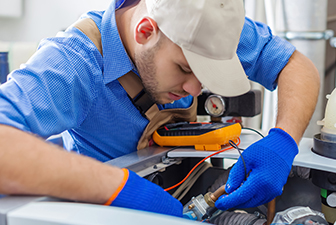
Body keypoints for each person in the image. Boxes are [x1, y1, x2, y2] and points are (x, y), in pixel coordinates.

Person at [0, 0, 319, 218]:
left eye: (204, 74)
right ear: (145, 32)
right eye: (184, 68)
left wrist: (283, 141)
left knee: (301, 195)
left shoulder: (205, 24)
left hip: (187, 182)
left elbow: (296, 65)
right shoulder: (73, 62)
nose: (196, 90)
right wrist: (117, 187)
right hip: (105, 208)